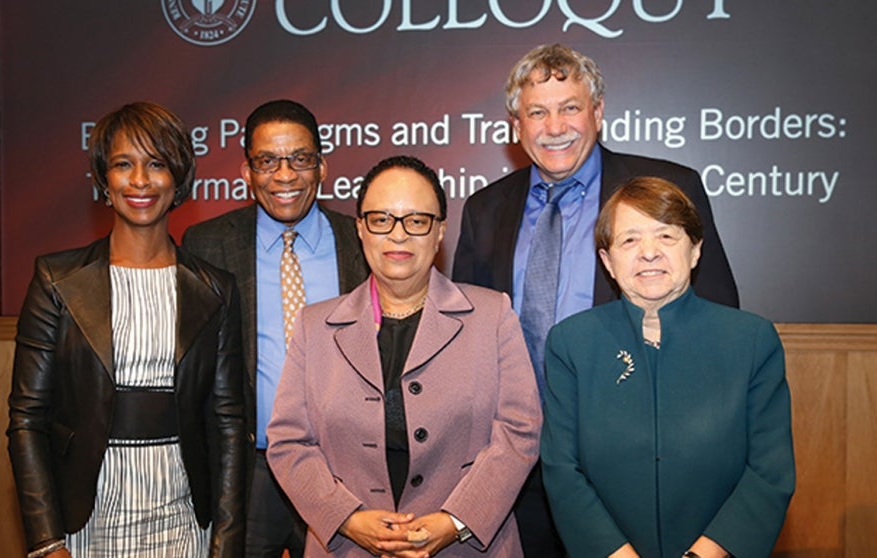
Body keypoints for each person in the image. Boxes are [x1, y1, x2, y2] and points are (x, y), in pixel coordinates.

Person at [451, 43, 740, 557]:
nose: (554, 125)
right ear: (516, 124)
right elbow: (464, 340)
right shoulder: (484, 208)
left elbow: (716, 322)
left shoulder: (669, 187)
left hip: (636, 460)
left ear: (598, 112)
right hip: (518, 466)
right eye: (537, 111)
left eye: (570, 107)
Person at [265, 155, 542, 557]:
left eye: (416, 220)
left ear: (440, 232)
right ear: (361, 228)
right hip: (348, 547)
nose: (398, 235)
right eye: (381, 219)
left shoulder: (491, 315)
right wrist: (347, 517)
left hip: (467, 547)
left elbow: (521, 431)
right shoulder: (316, 326)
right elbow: (288, 442)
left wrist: (454, 521)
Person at [6, 101, 247, 557]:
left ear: (178, 177)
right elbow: (26, 419)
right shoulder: (57, 281)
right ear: (103, 179)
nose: (140, 181)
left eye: (156, 164)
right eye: (123, 164)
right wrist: (46, 541)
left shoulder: (216, 289)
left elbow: (229, 424)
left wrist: (226, 543)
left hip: (183, 515)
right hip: (87, 514)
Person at [542, 176, 795, 558]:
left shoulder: (751, 340)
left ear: (694, 251)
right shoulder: (571, 343)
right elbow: (562, 469)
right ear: (608, 261)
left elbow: (769, 472)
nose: (649, 253)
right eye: (630, 240)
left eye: (666, 236)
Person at [182, 99, 369, 557]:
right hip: (251, 471)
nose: (284, 175)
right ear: (247, 171)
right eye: (267, 161)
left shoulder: (362, 242)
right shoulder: (206, 245)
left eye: (300, 159)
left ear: (322, 166)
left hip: (344, 470)